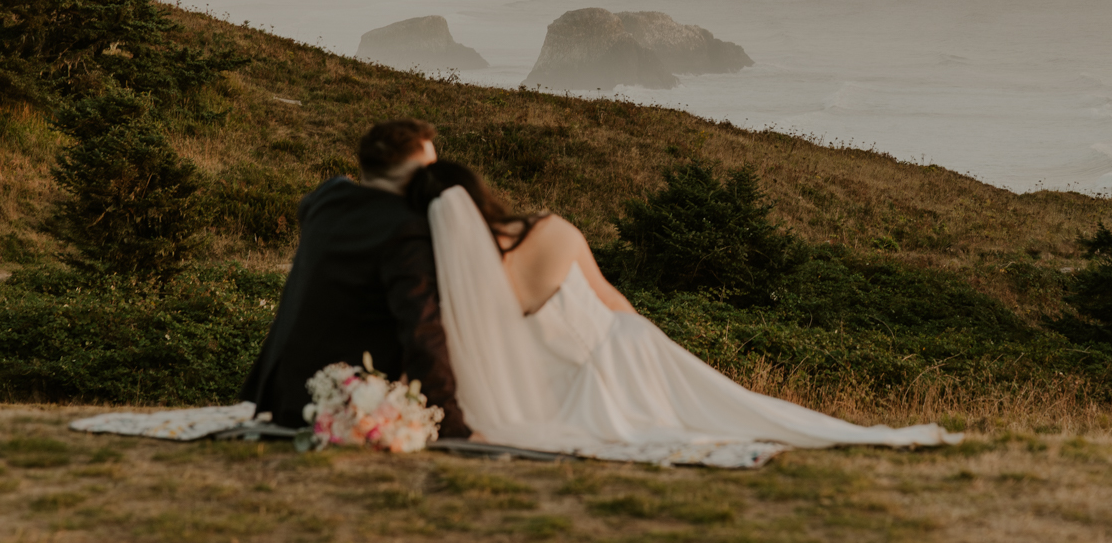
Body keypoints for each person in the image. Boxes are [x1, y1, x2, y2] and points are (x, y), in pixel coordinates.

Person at [405, 161, 961, 467]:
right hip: (623, 347)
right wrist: (648, 337)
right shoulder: (551, 230)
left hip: (564, 387)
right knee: (732, 409)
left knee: (704, 419)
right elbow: (609, 300)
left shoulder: (456, 288)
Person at [241, 120, 470, 438]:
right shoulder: (406, 229)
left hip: (279, 393)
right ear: (416, 174)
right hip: (343, 402)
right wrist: (450, 421)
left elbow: (311, 207)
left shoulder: (327, 197)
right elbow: (421, 330)